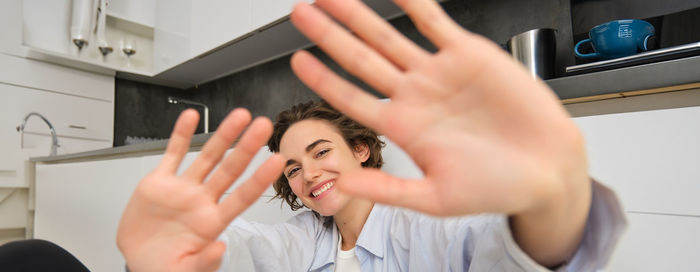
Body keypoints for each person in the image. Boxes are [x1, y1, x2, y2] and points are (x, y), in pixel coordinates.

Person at [116, 0, 625, 271]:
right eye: (292, 168)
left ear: (361, 149)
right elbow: (239, 250)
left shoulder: (423, 232)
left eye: (319, 152)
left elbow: (511, 254)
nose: (308, 174)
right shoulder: (297, 243)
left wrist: (554, 194)